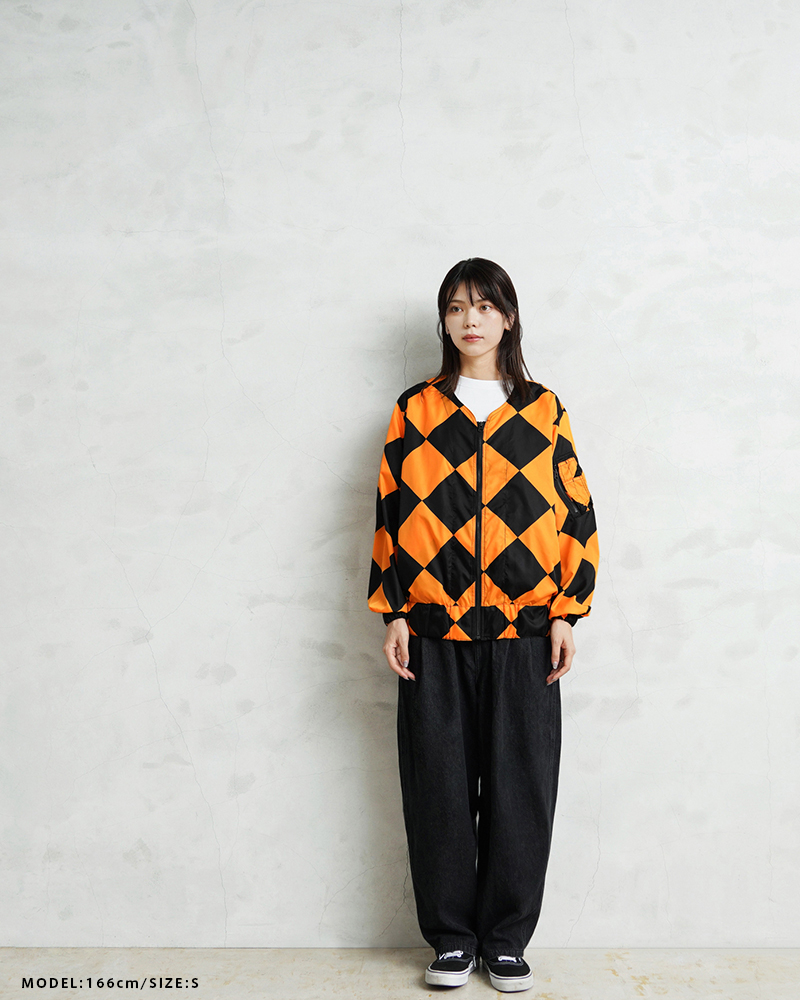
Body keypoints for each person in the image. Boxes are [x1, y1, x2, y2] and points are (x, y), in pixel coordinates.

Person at [367, 258, 599, 993]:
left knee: (520, 787)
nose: (471, 319)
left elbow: (577, 513)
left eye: (485, 306)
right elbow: (390, 513)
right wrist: (394, 609)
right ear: (444, 320)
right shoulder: (415, 410)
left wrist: (566, 611)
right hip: (433, 632)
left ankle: (505, 941)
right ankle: (451, 940)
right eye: (457, 307)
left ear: (508, 317)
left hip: (524, 633)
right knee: (436, 785)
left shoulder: (543, 410)